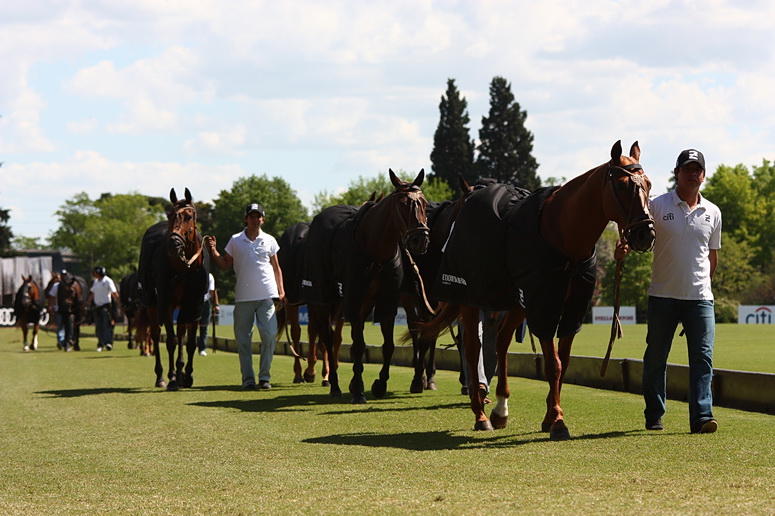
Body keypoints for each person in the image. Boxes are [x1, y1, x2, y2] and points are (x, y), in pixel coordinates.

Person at [622, 149, 722, 434]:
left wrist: (703, 287)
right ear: (676, 173)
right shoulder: (656, 204)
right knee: (656, 358)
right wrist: (624, 247)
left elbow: (712, 256)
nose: (692, 174)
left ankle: (702, 416)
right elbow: (636, 233)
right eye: (687, 169)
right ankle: (654, 415)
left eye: (697, 170)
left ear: (703, 175)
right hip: (663, 295)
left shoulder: (713, 212)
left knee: (703, 359)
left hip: (700, 299)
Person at [205, 203, 285, 390]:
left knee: (270, 335)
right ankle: (248, 379)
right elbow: (225, 265)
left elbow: (276, 267)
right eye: (251, 216)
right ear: (246, 219)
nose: (255, 220)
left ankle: (264, 378)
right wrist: (213, 251)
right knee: (243, 341)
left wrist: (281, 291)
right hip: (243, 297)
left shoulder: (270, 240)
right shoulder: (235, 240)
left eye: (258, 216)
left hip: (267, 295)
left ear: (263, 220)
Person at [86, 266, 120, 352]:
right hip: (97, 307)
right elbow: (92, 293)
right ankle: (100, 344)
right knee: (99, 327)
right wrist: (87, 303)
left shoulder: (108, 281)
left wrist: (119, 303)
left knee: (107, 325)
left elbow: (114, 293)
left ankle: (108, 342)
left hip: (106, 307)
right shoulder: (96, 282)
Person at [196, 272, 219, 356]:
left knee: (204, 327)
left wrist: (216, 304)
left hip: (205, 302)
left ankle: (202, 349)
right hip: (193, 302)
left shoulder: (209, 276)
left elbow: (212, 291)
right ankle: (192, 345)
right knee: (192, 326)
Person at [45, 271, 66, 350]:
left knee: (66, 326)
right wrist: (50, 306)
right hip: (58, 309)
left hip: (68, 309)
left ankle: (66, 341)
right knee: (60, 326)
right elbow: (51, 296)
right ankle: (61, 341)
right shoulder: (55, 286)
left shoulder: (70, 285)